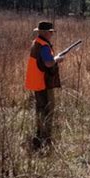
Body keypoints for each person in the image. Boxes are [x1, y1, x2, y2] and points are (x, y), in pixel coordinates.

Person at [25, 21, 64, 149]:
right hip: (44, 83)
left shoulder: (36, 43)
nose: (52, 34)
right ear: (45, 32)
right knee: (48, 110)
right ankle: (46, 139)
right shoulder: (44, 46)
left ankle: (39, 135)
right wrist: (57, 59)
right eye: (51, 32)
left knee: (40, 109)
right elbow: (48, 63)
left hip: (37, 83)